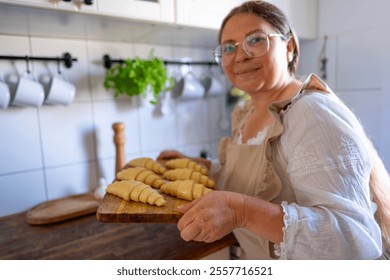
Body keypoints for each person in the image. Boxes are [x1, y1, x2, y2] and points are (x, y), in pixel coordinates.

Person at [157, 0, 390, 259]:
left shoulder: (310, 113)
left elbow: (356, 242)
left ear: (289, 47)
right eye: (229, 47)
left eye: (255, 40)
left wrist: (242, 212)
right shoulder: (245, 113)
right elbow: (250, 177)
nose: (240, 55)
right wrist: (197, 165)